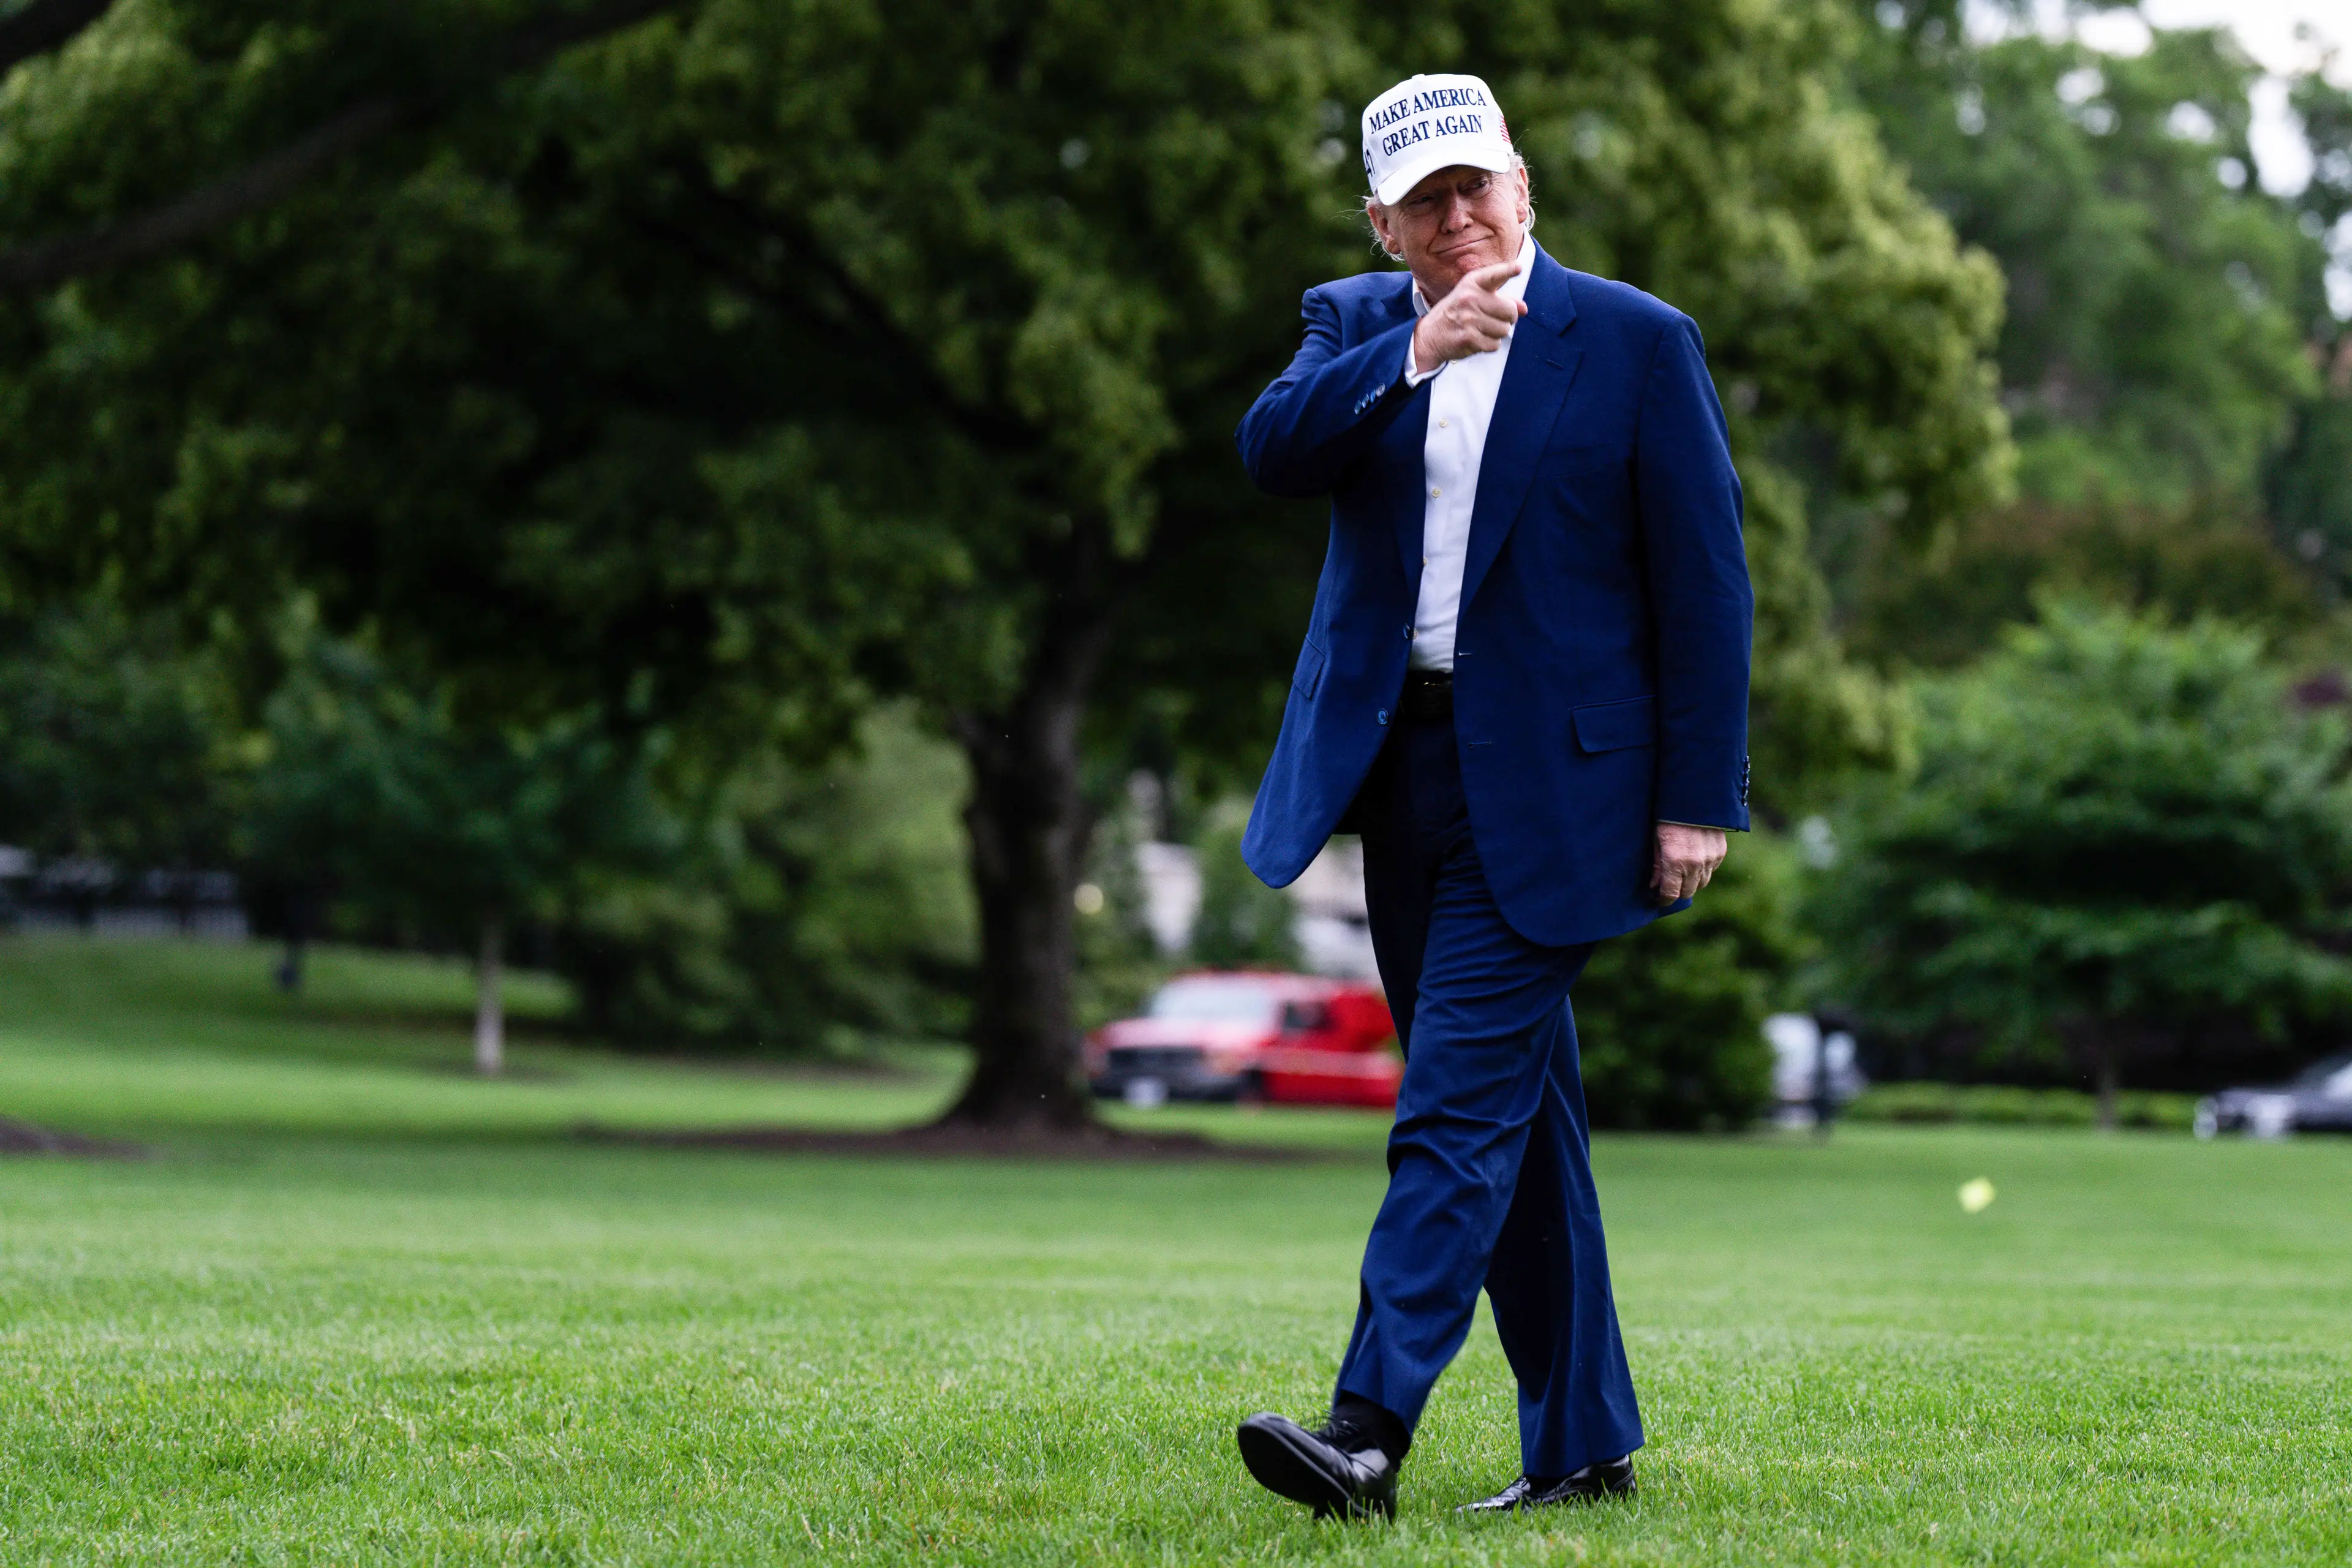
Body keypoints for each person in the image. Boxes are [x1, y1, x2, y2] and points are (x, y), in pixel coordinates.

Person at [1229, 72, 1752, 1520]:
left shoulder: (1636, 340)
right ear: (1385, 226)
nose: (1458, 216)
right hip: (1402, 773)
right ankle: (1583, 1446)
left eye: (1477, 185)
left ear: (1522, 185)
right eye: (1426, 201)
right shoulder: (1351, 321)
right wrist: (1413, 351)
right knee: (1522, 1124)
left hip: (1568, 786)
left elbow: (1706, 585)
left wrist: (1698, 795)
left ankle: (1367, 1429)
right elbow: (1272, 451)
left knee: (1453, 1104)